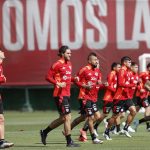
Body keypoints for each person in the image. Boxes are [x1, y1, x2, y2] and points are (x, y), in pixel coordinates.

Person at [40, 46, 80, 147]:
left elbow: (66, 78)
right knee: (67, 117)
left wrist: (73, 79)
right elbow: (47, 77)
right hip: (59, 94)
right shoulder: (57, 64)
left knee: (63, 118)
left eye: (70, 53)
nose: (70, 55)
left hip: (67, 94)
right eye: (68, 53)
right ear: (62, 54)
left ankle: (44, 132)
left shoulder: (69, 64)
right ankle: (69, 141)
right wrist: (57, 83)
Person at [103, 56, 137, 140]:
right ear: (124, 63)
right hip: (119, 97)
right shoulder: (122, 70)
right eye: (129, 62)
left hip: (126, 97)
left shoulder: (128, 72)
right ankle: (106, 131)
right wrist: (131, 85)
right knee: (115, 116)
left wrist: (133, 84)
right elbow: (121, 83)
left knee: (133, 111)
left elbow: (129, 83)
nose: (130, 63)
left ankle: (125, 128)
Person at [75, 53, 103, 144]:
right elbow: (76, 80)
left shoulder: (97, 70)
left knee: (97, 116)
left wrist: (100, 83)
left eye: (97, 60)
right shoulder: (84, 69)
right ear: (89, 61)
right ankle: (94, 138)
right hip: (84, 96)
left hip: (92, 97)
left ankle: (82, 132)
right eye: (95, 60)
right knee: (90, 117)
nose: (96, 61)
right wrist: (84, 86)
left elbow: (98, 82)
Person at [0, 50, 14, 148]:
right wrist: (2, 79)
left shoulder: (0, 66)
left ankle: (1, 141)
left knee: (1, 119)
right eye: (0, 51)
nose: (2, 52)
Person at [133, 63, 150, 131]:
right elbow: (137, 81)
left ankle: (144, 125)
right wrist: (140, 88)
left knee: (135, 111)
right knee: (147, 109)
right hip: (142, 95)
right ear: (148, 67)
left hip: (145, 95)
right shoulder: (143, 73)